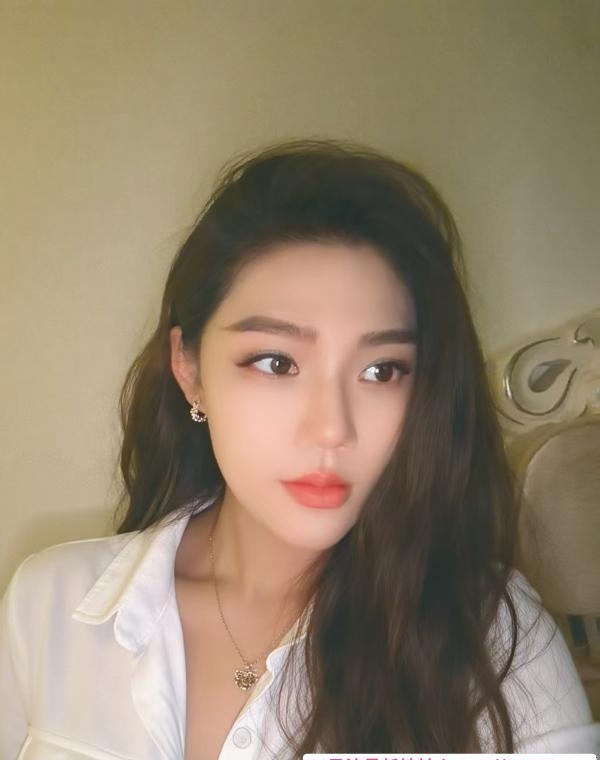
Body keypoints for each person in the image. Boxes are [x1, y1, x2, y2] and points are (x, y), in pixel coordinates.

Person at [1, 139, 598, 760]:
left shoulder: (493, 639)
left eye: (381, 370)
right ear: (189, 369)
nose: (331, 429)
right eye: (276, 362)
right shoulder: (50, 607)